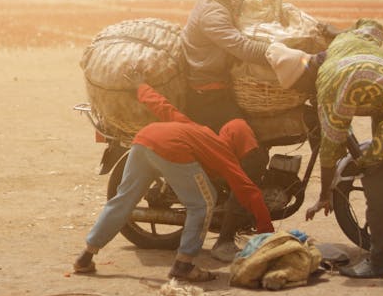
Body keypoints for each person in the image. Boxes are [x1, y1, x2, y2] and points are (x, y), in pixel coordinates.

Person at [266, 19, 383, 279]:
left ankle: (379, 262)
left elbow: (330, 148)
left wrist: (324, 194)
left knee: (376, 177)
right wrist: (334, 32)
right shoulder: (342, 44)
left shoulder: (327, 84)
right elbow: (373, 26)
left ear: (303, 82)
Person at [73, 83, 274, 281]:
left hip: (145, 139)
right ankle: (184, 265)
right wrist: (268, 235)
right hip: (170, 149)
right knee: (204, 203)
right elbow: (250, 192)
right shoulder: (223, 152)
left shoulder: (200, 130)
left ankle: (86, 256)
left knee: (123, 200)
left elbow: (165, 109)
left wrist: (141, 88)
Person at [181, 0, 270, 261]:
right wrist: (280, 54)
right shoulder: (212, 11)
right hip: (209, 98)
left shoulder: (225, 1)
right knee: (254, 159)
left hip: (222, 91)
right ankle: (225, 240)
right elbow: (241, 46)